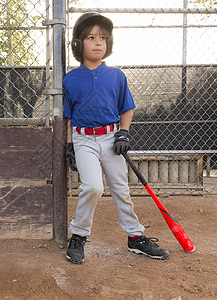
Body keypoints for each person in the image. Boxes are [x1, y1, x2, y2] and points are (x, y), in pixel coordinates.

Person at [64, 12, 169, 264]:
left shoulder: (117, 76)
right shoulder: (70, 79)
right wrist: (69, 145)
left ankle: (135, 237)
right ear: (78, 45)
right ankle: (78, 235)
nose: (98, 42)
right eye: (91, 37)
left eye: (103, 37)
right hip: (84, 139)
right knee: (92, 186)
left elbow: (127, 108)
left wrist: (123, 132)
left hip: (111, 138)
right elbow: (69, 116)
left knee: (121, 189)